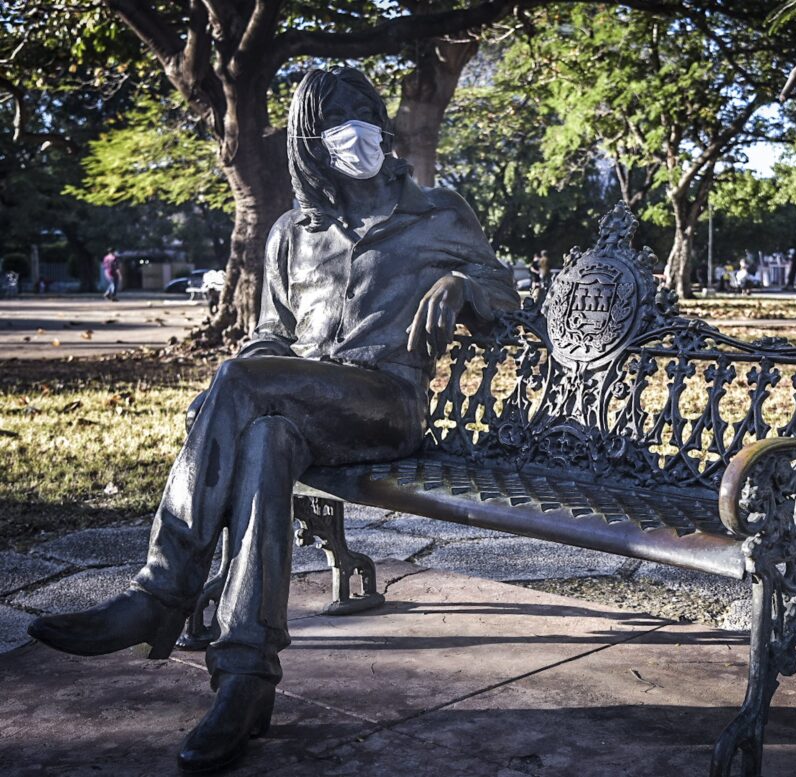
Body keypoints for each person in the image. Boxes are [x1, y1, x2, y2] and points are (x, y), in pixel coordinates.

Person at [27, 67, 519, 773]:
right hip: (298, 410)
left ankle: (162, 590)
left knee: (241, 387)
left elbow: (507, 294)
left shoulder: (440, 212)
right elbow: (270, 339)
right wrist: (240, 390)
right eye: (338, 119)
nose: (359, 129)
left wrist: (465, 284)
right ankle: (245, 677)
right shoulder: (293, 233)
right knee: (262, 437)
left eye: (366, 112)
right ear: (310, 143)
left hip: (386, 403)